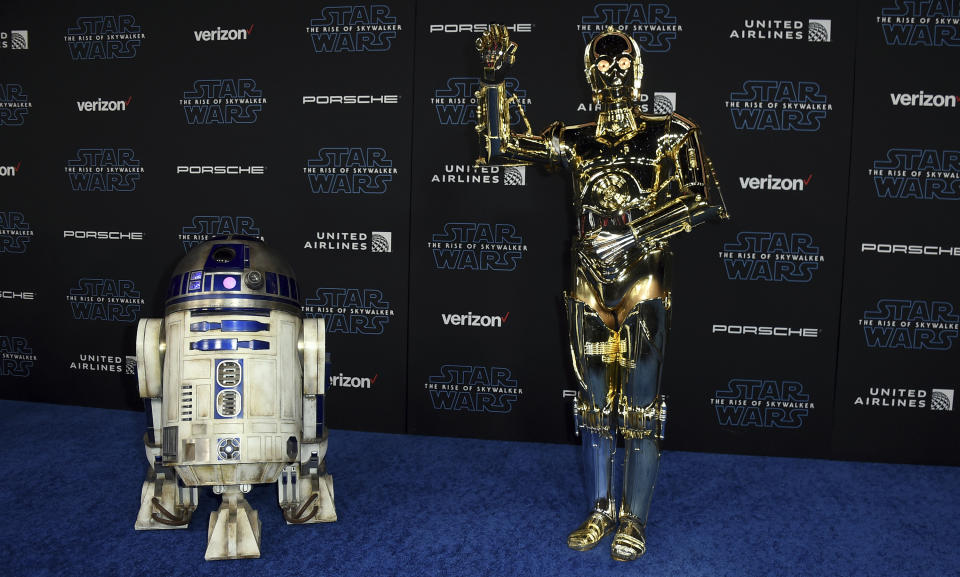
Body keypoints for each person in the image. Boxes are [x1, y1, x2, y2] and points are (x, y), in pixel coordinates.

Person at [473, 24, 728, 561]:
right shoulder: (575, 138)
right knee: (591, 406)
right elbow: (500, 148)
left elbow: (705, 199)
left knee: (640, 406)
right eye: (601, 64)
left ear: (639, 72)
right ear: (588, 74)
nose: (612, 72)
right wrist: (495, 78)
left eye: (622, 63)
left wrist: (634, 232)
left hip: (645, 280)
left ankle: (634, 518)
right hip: (586, 283)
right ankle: (600, 509)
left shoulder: (671, 132)